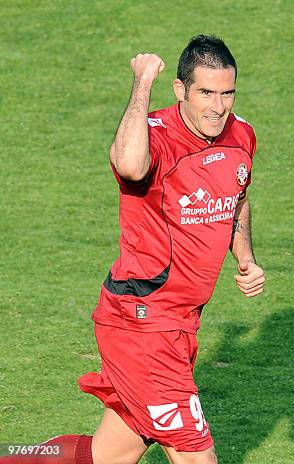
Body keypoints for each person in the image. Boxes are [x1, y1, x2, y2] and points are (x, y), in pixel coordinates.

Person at [0, 35, 264, 464]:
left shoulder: (242, 136)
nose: (218, 106)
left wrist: (246, 257)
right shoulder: (155, 136)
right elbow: (128, 165)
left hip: (181, 326)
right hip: (143, 324)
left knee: (105, 456)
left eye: (227, 92)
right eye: (206, 93)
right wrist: (142, 82)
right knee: (197, 455)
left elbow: (238, 196)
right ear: (180, 90)